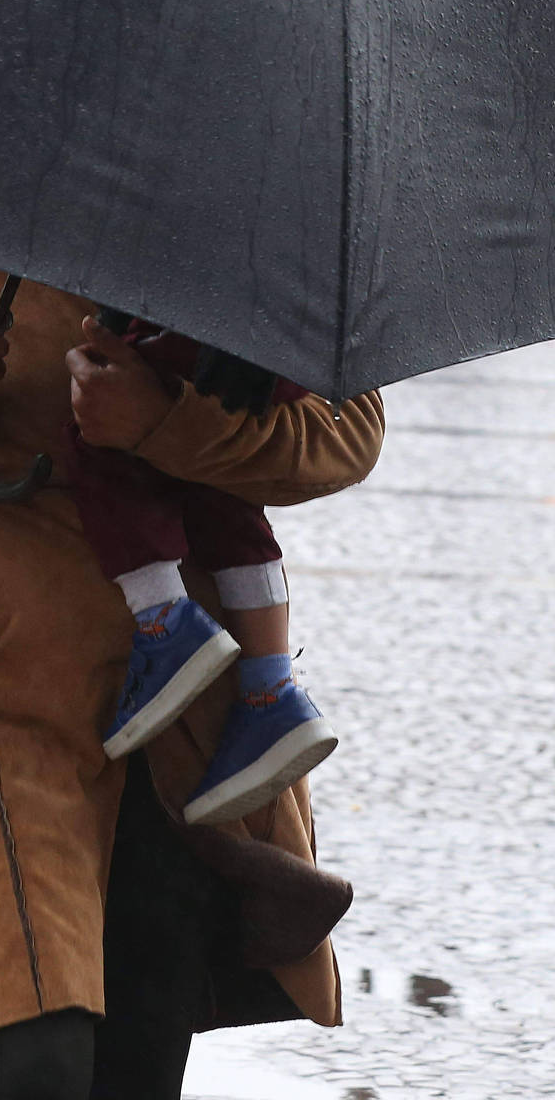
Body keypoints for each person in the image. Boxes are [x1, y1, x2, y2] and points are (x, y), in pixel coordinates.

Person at [0, 241, 384, 1099]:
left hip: (183, 722)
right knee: (34, 1055)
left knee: (139, 1061)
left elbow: (347, 431)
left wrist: (162, 423)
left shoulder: (232, 190)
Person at [62, 312, 338, 828]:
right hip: (273, 340)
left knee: (99, 428)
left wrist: (152, 409)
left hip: (216, 330)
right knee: (222, 492)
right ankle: (270, 686)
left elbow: (353, 433)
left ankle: (166, 622)